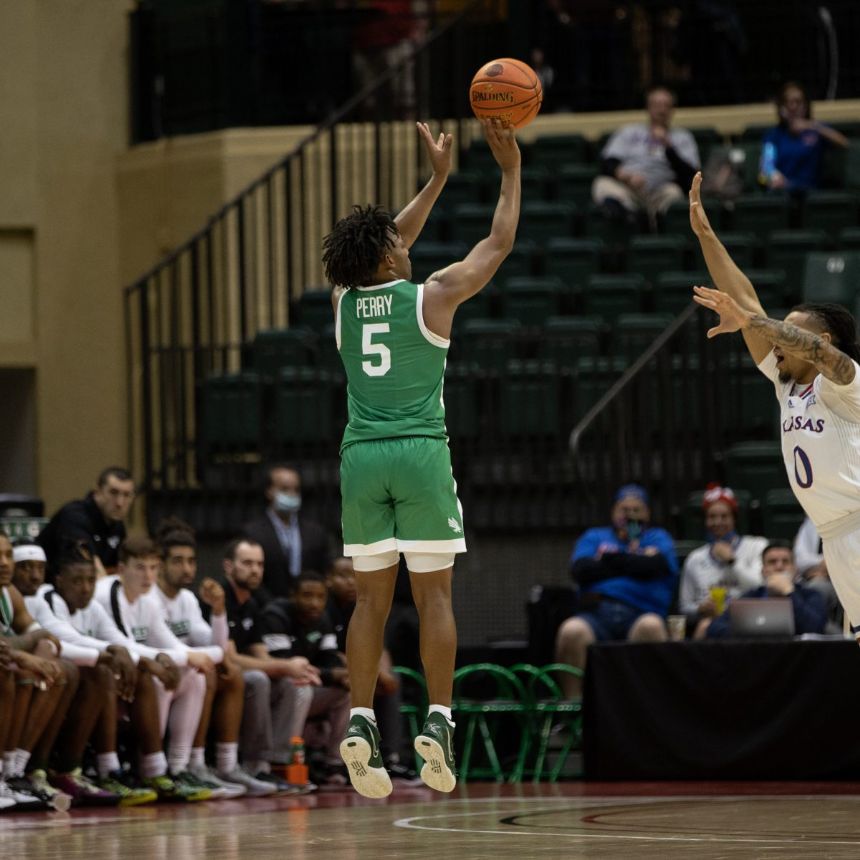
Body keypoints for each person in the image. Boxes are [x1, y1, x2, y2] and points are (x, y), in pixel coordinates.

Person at [321, 117, 519, 798]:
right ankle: (439, 720)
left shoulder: (343, 302)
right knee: (433, 593)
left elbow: (387, 239)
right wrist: (511, 171)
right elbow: (498, 242)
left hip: (360, 458)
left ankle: (359, 719)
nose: (404, 247)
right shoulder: (432, 297)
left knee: (369, 603)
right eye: (393, 246)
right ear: (385, 259)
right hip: (419, 453)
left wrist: (437, 177)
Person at [689, 171, 860, 644]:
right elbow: (744, 298)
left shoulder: (845, 384)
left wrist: (756, 321)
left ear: (818, 341)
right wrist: (706, 234)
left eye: (788, 333)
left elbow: (828, 357)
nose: (774, 340)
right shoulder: (786, 384)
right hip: (836, 536)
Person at [37, 539, 202, 802]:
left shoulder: (92, 605)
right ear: (59, 579)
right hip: (53, 679)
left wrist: (154, 658)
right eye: (77, 581)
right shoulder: (47, 599)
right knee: (105, 674)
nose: (85, 588)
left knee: (142, 675)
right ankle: (81, 770)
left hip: (84, 681)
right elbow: (65, 641)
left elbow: (119, 641)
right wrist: (120, 656)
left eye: (90, 580)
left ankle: (157, 770)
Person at [153, 519, 273, 798]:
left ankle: (224, 765)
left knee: (226, 673)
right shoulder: (152, 599)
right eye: (178, 561)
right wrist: (203, 656)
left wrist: (219, 610)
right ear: (161, 563)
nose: (187, 568)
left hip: (182, 670)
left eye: (191, 561)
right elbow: (168, 644)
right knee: (204, 670)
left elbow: (217, 646)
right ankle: (178, 765)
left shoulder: (188, 599)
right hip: (158, 672)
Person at [95, 536, 222, 797]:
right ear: (121, 569)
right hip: (104, 672)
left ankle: (178, 766)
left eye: (153, 568)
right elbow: (123, 646)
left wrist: (187, 657)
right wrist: (184, 658)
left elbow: (171, 644)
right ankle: (151, 766)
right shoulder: (107, 595)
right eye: (140, 568)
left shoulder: (147, 602)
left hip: (130, 671)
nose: (148, 575)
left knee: (194, 676)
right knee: (160, 675)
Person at [217, 537, 320, 793]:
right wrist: (284, 666)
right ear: (228, 566)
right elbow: (230, 658)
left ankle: (277, 764)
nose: (255, 570)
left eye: (260, 564)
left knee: (294, 685)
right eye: (247, 563)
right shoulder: (220, 599)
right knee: (259, 679)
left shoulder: (251, 604)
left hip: (242, 682)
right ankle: (253, 763)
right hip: (219, 678)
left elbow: (261, 654)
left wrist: (295, 669)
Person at [555, 484, 678, 697]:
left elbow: (656, 566)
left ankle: (647, 713)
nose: (629, 514)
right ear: (613, 511)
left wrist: (607, 562)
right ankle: (573, 714)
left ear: (647, 514)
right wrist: (634, 561)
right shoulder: (594, 537)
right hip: (596, 614)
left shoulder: (658, 538)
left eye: (636, 509)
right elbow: (581, 570)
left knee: (652, 627)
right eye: (624, 509)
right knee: (571, 631)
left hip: (640, 612)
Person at [326, 557, 420, 784]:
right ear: (329, 580)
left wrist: (384, 674)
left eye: (355, 575)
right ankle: (336, 763)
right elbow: (333, 654)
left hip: (360, 671)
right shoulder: (323, 607)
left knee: (392, 678)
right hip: (331, 673)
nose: (350, 582)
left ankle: (390, 757)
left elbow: (380, 647)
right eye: (343, 576)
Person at [261, 571, 350, 785]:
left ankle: (333, 762)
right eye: (307, 596)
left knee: (347, 689)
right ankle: (283, 762)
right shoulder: (275, 616)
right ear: (293, 596)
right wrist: (330, 674)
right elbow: (283, 664)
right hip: (274, 692)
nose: (314, 603)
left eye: (320, 597)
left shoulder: (322, 619)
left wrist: (336, 675)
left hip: (308, 687)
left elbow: (331, 660)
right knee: (298, 686)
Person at [592, 85, 700, 228]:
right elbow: (607, 162)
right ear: (648, 108)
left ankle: (653, 223)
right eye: (656, 105)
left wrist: (669, 148)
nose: (661, 110)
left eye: (666, 106)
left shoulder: (683, 137)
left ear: (672, 110)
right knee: (601, 184)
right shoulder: (629, 131)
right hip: (629, 189)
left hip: (661, 191)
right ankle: (630, 215)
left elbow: (691, 176)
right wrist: (625, 176)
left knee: (675, 193)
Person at [678, 484, 767, 638]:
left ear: (734, 519)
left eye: (724, 516)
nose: (718, 522)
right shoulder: (695, 558)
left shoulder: (756, 546)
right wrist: (700, 609)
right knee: (706, 625)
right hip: (709, 621)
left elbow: (761, 586)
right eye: (712, 517)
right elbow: (684, 607)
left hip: (750, 619)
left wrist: (733, 561)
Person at [241, 464, 333, 600]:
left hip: (310, 608)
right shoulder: (252, 532)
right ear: (269, 491)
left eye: (295, 489)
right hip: (268, 607)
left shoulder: (315, 532)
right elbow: (250, 576)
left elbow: (324, 572)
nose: (291, 494)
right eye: (284, 489)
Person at [706, 541, 827, 638]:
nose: (779, 567)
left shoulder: (811, 595)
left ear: (795, 570)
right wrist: (745, 631)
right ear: (763, 571)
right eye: (772, 562)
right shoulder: (751, 597)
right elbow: (714, 628)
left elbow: (815, 628)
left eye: (785, 562)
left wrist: (789, 592)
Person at [38, 467, 136, 580]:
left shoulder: (118, 526)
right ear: (97, 491)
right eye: (113, 493)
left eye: (127, 495)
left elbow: (121, 570)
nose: (120, 502)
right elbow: (93, 571)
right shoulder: (74, 517)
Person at [759, 81, 848, 194]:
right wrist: (773, 177)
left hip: (811, 192)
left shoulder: (816, 129)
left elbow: (844, 143)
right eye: (788, 102)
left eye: (798, 102)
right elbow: (766, 167)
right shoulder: (773, 135)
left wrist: (812, 126)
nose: (793, 107)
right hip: (782, 192)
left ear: (806, 105)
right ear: (781, 108)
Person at [793, 516, 842, 631]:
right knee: (814, 587)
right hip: (817, 579)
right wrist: (824, 563)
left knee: (817, 587)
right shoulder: (812, 519)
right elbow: (800, 560)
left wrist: (827, 565)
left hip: (849, 580)